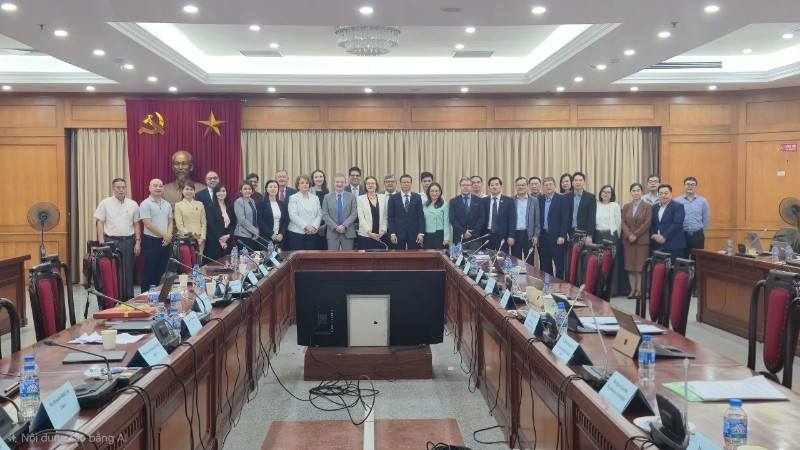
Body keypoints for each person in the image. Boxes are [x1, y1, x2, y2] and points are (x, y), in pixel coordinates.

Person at [94, 178, 140, 299]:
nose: (121, 190)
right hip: (111, 241)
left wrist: (137, 242)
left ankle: (128, 298)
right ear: (113, 189)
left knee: (128, 270)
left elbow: (136, 224)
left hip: (128, 241)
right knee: (112, 271)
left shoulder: (133, 204)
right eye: (118, 187)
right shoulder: (105, 203)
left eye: (123, 187)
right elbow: (100, 222)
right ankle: (113, 298)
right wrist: (101, 242)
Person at [139, 178, 173, 289]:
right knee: (149, 271)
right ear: (149, 188)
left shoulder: (167, 204)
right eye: (155, 186)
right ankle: (145, 296)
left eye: (160, 186)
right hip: (151, 242)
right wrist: (165, 235)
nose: (158, 188)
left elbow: (170, 221)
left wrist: (168, 237)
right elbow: (148, 223)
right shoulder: (145, 204)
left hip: (165, 242)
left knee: (162, 272)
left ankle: (160, 295)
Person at [621, 183, 652, 300]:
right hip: (628, 240)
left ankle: (640, 290)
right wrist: (629, 235)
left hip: (642, 240)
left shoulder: (647, 206)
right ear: (631, 192)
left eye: (638, 190)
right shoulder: (626, 206)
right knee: (630, 266)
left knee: (640, 267)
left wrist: (635, 234)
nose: (636, 193)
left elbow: (647, 223)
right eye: (633, 191)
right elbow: (623, 222)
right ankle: (632, 290)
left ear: (642, 192)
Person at [538, 177, 570, 278]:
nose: (548, 187)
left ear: (555, 186)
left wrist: (562, 235)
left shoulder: (562, 199)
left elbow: (565, 219)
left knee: (559, 265)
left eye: (550, 184)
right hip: (543, 237)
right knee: (545, 265)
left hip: (557, 238)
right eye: (546, 185)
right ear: (543, 187)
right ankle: (548, 285)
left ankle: (560, 286)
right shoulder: (539, 199)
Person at [674, 176, 710, 257]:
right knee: (682, 259)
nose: (690, 186)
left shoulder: (703, 201)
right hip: (682, 234)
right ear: (684, 186)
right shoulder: (677, 200)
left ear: (696, 186)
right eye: (688, 184)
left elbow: (706, 218)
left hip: (697, 235)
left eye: (692, 184)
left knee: (698, 259)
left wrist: (700, 231)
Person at [650, 184, 687, 262]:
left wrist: (664, 237)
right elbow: (651, 223)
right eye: (661, 193)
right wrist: (653, 235)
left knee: (673, 268)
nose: (663, 195)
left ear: (670, 194)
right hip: (657, 244)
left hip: (673, 245)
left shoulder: (678, 206)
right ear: (658, 195)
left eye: (666, 193)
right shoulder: (654, 207)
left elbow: (677, 223)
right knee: (658, 268)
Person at [388, 174, 425, 249]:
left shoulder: (417, 197)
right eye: (404, 182)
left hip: (414, 234)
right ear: (400, 184)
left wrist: (421, 233)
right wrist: (392, 233)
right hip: (398, 234)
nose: (406, 184)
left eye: (408, 182)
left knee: (415, 255)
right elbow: (390, 217)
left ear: (411, 183)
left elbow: (420, 216)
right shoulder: (393, 198)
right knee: (398, 255)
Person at [321, 174, 358, 250]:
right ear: (333, 183)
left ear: (345, 183)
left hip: (348, 232)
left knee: (349, 256)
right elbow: (325, 214)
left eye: (342, 182)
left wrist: (344, 226)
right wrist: (335, 227)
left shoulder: (351, 196)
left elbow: (354, 213)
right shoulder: (327, 197)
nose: (339, 184)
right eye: (337, 182)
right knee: (333, 257)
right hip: (332, 233)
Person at [287, 175, 322, 250]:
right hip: (297, 234)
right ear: (298, 186)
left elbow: (319, 214)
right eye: (302, 183)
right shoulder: (293, 198)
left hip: (312, 233)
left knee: (311, 256)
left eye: (307, 183)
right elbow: (293, 215)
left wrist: (313, 227)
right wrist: (306, 226)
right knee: (298, 256)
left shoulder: (315, 198)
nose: (305, 184)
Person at [449, 177, 485, 249]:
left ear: (471, 186)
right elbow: (452, 219)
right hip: (459, 237)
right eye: (463, 185)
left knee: (474, 256)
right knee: (458, 256)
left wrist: (472, 232)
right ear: (460, 186)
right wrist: (464, 231)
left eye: (468, 185)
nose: (466, 187)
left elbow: (481, 218)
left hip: (475, 237)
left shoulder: (479, 200)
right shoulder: (453, 201)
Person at [483, 177, 516, 252]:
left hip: (502, 235)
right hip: (487, 235)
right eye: (492, 185)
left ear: (500, 186)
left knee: (502, 257)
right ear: (489, 187)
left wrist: (511, 236)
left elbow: (512, 219)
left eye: (496, 184)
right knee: (487, 257)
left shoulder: (509, 200)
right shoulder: (484, 201)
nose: (494, 187)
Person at [512, 176, 540, 262]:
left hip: (529, 236)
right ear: (515, 186)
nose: (521, 187)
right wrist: (510, 236)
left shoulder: (534, 200)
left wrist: (536, 235)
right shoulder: (511, 200)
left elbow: (537, 220)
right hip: (515, 235)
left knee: (529, 262)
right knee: (515, 262)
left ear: (527, 186)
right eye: (518, 185)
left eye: (523, 185)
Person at [205, 183, 236, 261]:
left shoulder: (230, 206)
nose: (221, 193)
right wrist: (221, 239)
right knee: (216, 264)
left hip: (228, 239)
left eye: (223, 191)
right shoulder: (210, 207)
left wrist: (228, 235)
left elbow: (233, 223)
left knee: (228, 263)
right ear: (215, 193)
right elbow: (211, 225)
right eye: (219, 191)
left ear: (226, 192)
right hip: (215, 240)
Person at [174, 181, 207, 254]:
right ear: (182, 191)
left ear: (194, 191)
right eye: (187, 189)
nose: (189, 191)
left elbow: (203, 222)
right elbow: (179, 224)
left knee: (199, 259)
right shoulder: (178, 205)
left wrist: (202, 237)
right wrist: (189, 237)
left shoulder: (200, 204)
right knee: (187, 259)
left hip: (199, 239)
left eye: (191, 189)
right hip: (185, 238)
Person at [357, 176, 389, 250]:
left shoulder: (383, 198)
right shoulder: (360, 198)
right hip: (365, 236)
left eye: (372, 183)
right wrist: (369, 233)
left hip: (380, 235)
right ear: (365, 186)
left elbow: (385, 216)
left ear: (376, 185)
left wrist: (383, 230)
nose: (370, 185)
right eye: (368, 183)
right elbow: (361, 218)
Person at [257, 180, 289, 250]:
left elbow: (286, 220)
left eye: (275, 187)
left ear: (278, 189)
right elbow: (260, 221)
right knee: (267, 256)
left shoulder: (282, 204)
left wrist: (281, 233)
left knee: (279, 256)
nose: (273, 189)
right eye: (270, 187)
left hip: (279, 238)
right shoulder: (261, 203)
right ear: (266, 189)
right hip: (266, 237)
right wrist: (271, 234)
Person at [566, 171, 596, 243]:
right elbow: (564, 216)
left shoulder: (590, 197)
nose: (578, 182)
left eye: (580, 180)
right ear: (572, 183)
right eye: (576, 180)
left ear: (584, 182)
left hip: (584, 233)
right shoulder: (566, 197)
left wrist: (589, 235)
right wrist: (564, 232)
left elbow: (591, 218)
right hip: (570, 232)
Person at [233, 180, 260, 252]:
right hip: (242, 235)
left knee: (253, 256)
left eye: (249, 189)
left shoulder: (252, 201)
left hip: (252, 234)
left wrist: (256, 231)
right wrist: (255, 231)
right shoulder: (238, 202)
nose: (247, 191)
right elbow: (242, 220)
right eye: (245, 189)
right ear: (241, 191)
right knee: (245, 257)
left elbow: (254, 218)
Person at [422, 182, 450, 250]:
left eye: (436, 191)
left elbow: (446, 223)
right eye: (432, 191)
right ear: (429, 192)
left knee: (440, 255)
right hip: (427, 235)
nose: (434, 193)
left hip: (440, 235)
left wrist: (446, 238)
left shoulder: (445, 205)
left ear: (440, 192)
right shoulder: (424, 205)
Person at [311, 169, 330, 250]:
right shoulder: (309, 191)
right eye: (316, 177)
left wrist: (325, 225)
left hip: (325, 226)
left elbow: (329, 210)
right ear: (313, 179)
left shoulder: (327, 192)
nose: (319, 179)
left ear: (324, 178)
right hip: (312, 226)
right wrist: (315, 226)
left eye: (321, 176)